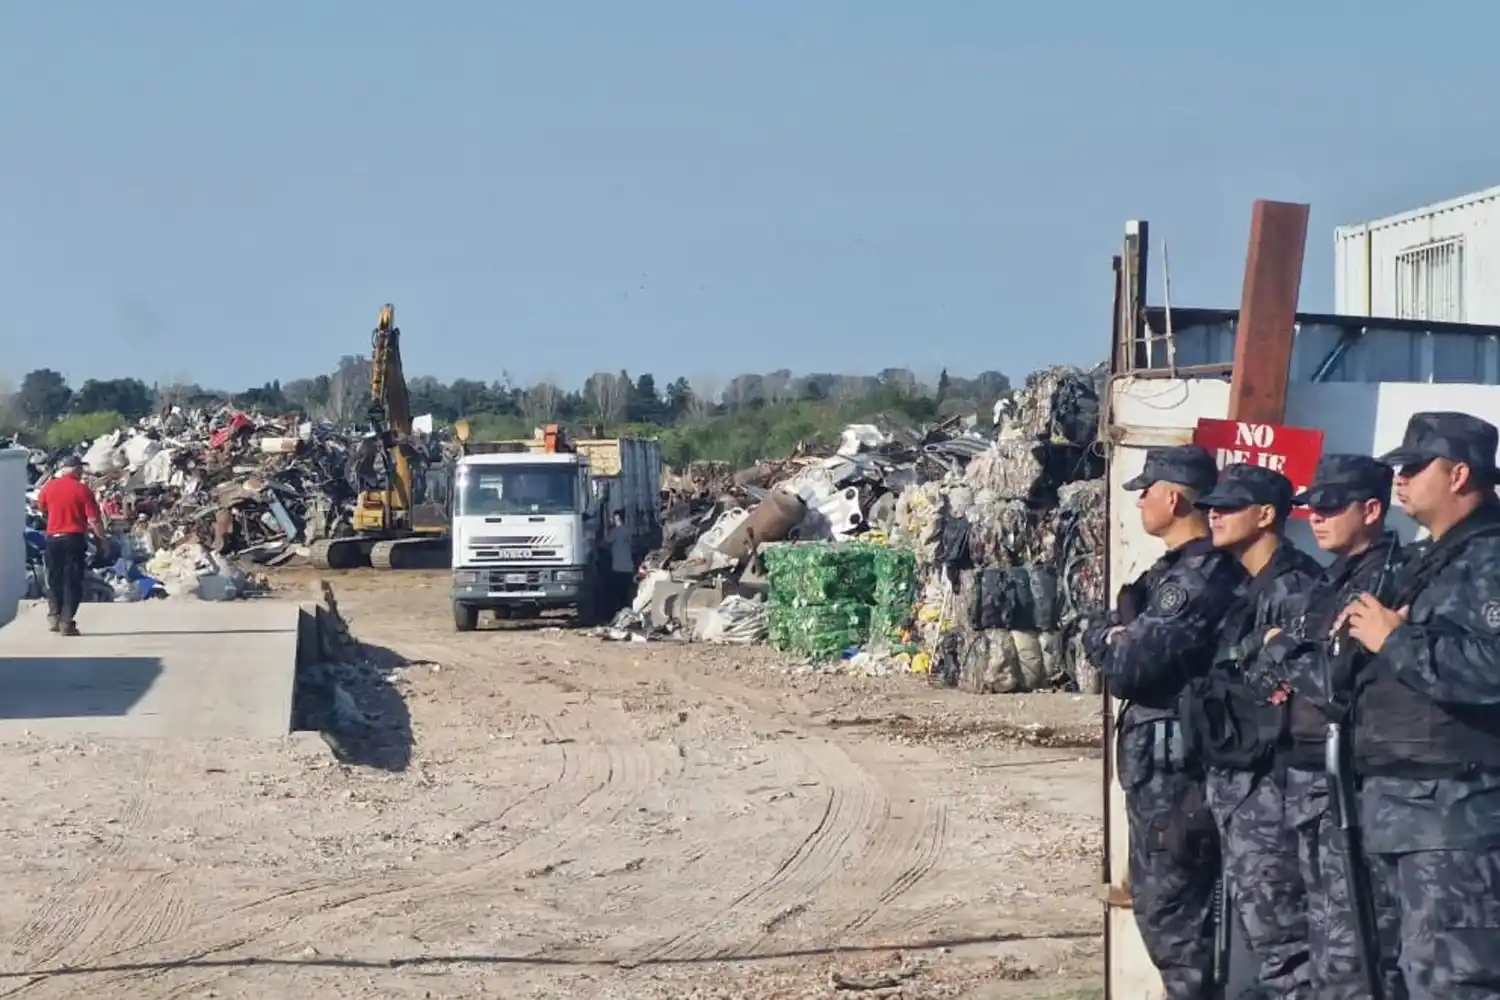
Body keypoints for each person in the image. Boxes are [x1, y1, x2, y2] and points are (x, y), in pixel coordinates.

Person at [1345, 412, 1500, 999]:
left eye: (1413, 467)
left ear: (1459, 474)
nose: (1399, 480)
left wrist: (1397, 639)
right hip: (1402, 814)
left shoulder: (1490, 559)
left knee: (1456, 984)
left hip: (1458, 820)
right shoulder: (1425, 561)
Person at [1084, 445, 1245, 999]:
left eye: (1146, 492)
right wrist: (1108, 636)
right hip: (1160, 776)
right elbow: (1107, 632)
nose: (1139, 504)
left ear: (1174, 498)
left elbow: (1128, 666)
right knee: (1164, 919)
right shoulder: (1168, 572)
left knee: (1178, 927)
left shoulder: (1198, 577)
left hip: (1179, 779)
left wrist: (1110, 641)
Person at [1264, 455, 1405, 999]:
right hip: (1310, 785)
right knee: (1324, 951)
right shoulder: (1330, 581)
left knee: (1358, 956)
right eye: (1310, 506)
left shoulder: (1384, 579)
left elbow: (1334, 681)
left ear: (1371, 510)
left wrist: (1281, 649)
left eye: (1330, 506)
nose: (1315, 517)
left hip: (1350, 789)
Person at [1189, 463, 1323, 998]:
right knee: (1254, 945)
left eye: (1228, 506)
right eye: (1211, 505)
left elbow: (1286, 693)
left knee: (1286, 948)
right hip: (1240, 790)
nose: (1213, 514)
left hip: (1273, 793)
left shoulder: (1296, 589)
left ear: (1266, 516)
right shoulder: (1246, 586)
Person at [34, 455, 107, 636]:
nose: (82, 472)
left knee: (55, 579)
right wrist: (103, 540)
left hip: (53, 539)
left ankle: (54, 614)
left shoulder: (48, 488)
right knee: (72, 582)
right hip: (73, 539)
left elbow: (41, 507)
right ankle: (66, 621)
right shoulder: (82, 490)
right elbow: (94, 519)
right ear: (75, 469)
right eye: (80, 468)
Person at [606, 510, 635, 613]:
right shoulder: (628, 531)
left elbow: (605, 543)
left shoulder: (615, 532)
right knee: (627, 592)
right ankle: (628, 610)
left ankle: (619, 612)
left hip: (618, 567)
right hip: (628, 567)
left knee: (618, 592)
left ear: (617, 518)